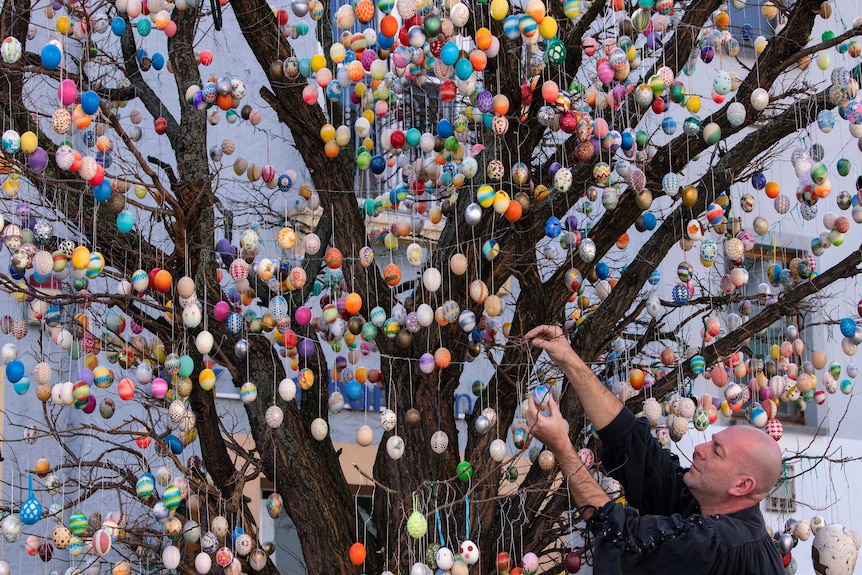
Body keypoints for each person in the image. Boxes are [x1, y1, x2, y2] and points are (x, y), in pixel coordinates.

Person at [523, 325, 785, 575]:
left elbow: (625, 542)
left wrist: (562, 448)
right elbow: (636, 449)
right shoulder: (709, 509)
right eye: (711, 441)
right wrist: (568, 358)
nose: (700, 449)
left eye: (717, 451)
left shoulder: (721, 544)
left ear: (742, 485)